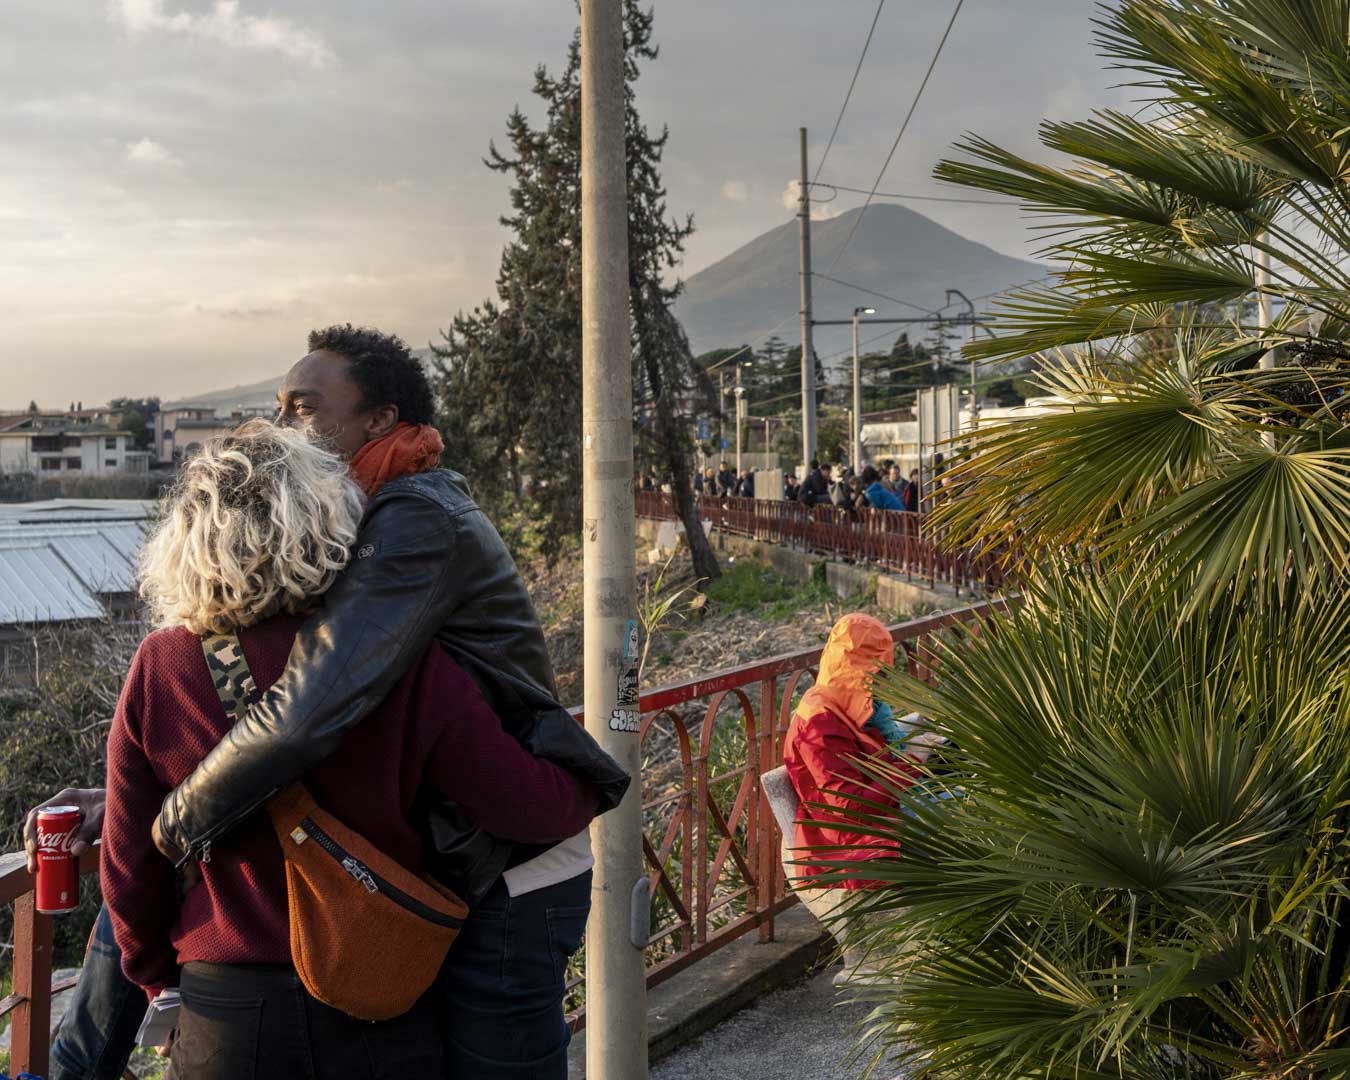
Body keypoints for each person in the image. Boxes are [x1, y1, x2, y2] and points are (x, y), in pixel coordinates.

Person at [35, 324, 629, 1080]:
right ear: (317, 516)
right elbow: (505, 793)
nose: (288, 424)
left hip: (243, 1004)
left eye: (302, 407)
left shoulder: (404, 527)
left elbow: (294, 723)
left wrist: (168, 828)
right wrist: (580, 784)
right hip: (381, 977)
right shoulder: (404, 646)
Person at [782, 614, 918, 984]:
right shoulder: (819, 723)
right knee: (959, 818)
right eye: (875, 674)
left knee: (961, 805)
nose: (879, 685)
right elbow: (848, 810)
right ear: (856, 670)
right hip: (841, 840)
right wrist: (912, 766)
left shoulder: (843, 708)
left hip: (879, 817)